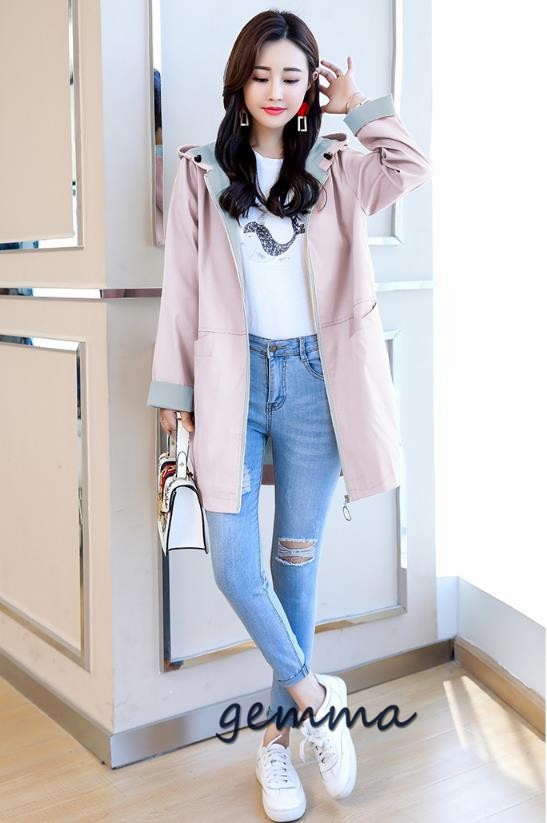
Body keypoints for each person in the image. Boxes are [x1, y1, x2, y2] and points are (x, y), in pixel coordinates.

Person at [148, 10, 432, 821]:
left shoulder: (338, 166)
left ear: (310, 87)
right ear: (239, 82)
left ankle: (274, 745)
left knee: (294, 565)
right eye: (262, 74)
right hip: (230, 383)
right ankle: (315, 697)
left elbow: (412, 166)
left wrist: (359, 107)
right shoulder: (199, 171)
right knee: (234, 565)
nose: (275, 90)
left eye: (292, 77)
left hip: (315, 383)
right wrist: (176, 400)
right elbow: (180, 291)